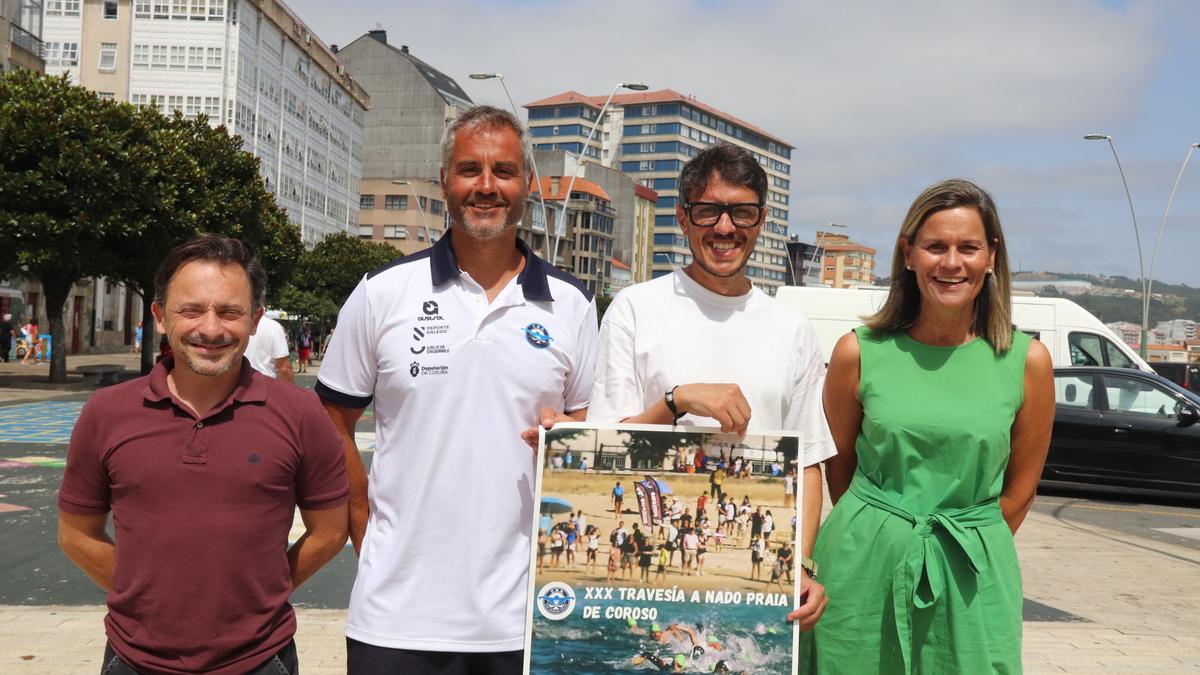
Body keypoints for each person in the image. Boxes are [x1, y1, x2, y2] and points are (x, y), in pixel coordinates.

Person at [316, 105, 598, 673]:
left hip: (528, 615)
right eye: (470, 169)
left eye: (505, 171)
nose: (487, 187)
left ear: (527, 186)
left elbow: (590, 442)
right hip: (395, 615)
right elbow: (331, 422)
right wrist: (365, 533)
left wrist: (571, 440)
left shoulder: (574, 305)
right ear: (445, 181)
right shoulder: (380, 293)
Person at [56, 235, 349, 674]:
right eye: (191, 310)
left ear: (255, 320)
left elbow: (329, 531)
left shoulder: (300, 412)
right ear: (159, 317)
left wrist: (261, 592)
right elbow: (77, 534)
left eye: (229, 312)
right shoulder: (107, 412)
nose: (210, 329)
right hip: (134, 660)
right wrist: (144, 595)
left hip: (260, 659)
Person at [801, 179, 1054, 672]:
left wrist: (959, 549)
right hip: (861, 566)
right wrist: (884, 535)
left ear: (991, 256)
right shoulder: (857, 353)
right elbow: (840, 470)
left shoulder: (1028, 362)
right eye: (935, 246)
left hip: (971, 572)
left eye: (968, 247)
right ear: (909, 254)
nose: (951, 263)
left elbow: (1020, 491)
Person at [587, 143, 833, 631]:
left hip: (749, 596)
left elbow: (806, 465)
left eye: (741, 212)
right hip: (649, 585)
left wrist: (802, 566)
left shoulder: (793, 329)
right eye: (708, 211)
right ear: (683, 218)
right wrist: (677, 401)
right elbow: (604, 449)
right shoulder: (635, 310)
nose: (725, 228)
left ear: (761, 221)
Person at [244, 314, 295, 383]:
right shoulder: (273, 326)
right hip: (265, 383)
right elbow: (284, 368)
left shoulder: (235, 324)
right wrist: (289, 392)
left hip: (238, 385)